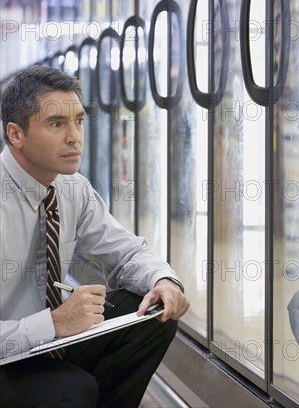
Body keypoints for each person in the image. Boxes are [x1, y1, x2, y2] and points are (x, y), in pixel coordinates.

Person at [0, 65, 190, 407]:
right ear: (16, 134)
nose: (74, 136)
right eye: (57, 124)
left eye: (79, 121)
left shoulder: (71, 188)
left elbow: (128, 252)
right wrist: (53, 323)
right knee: (73, 388)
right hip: (7, 354)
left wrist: (164, 281)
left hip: (48, 342)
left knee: (151, 315)